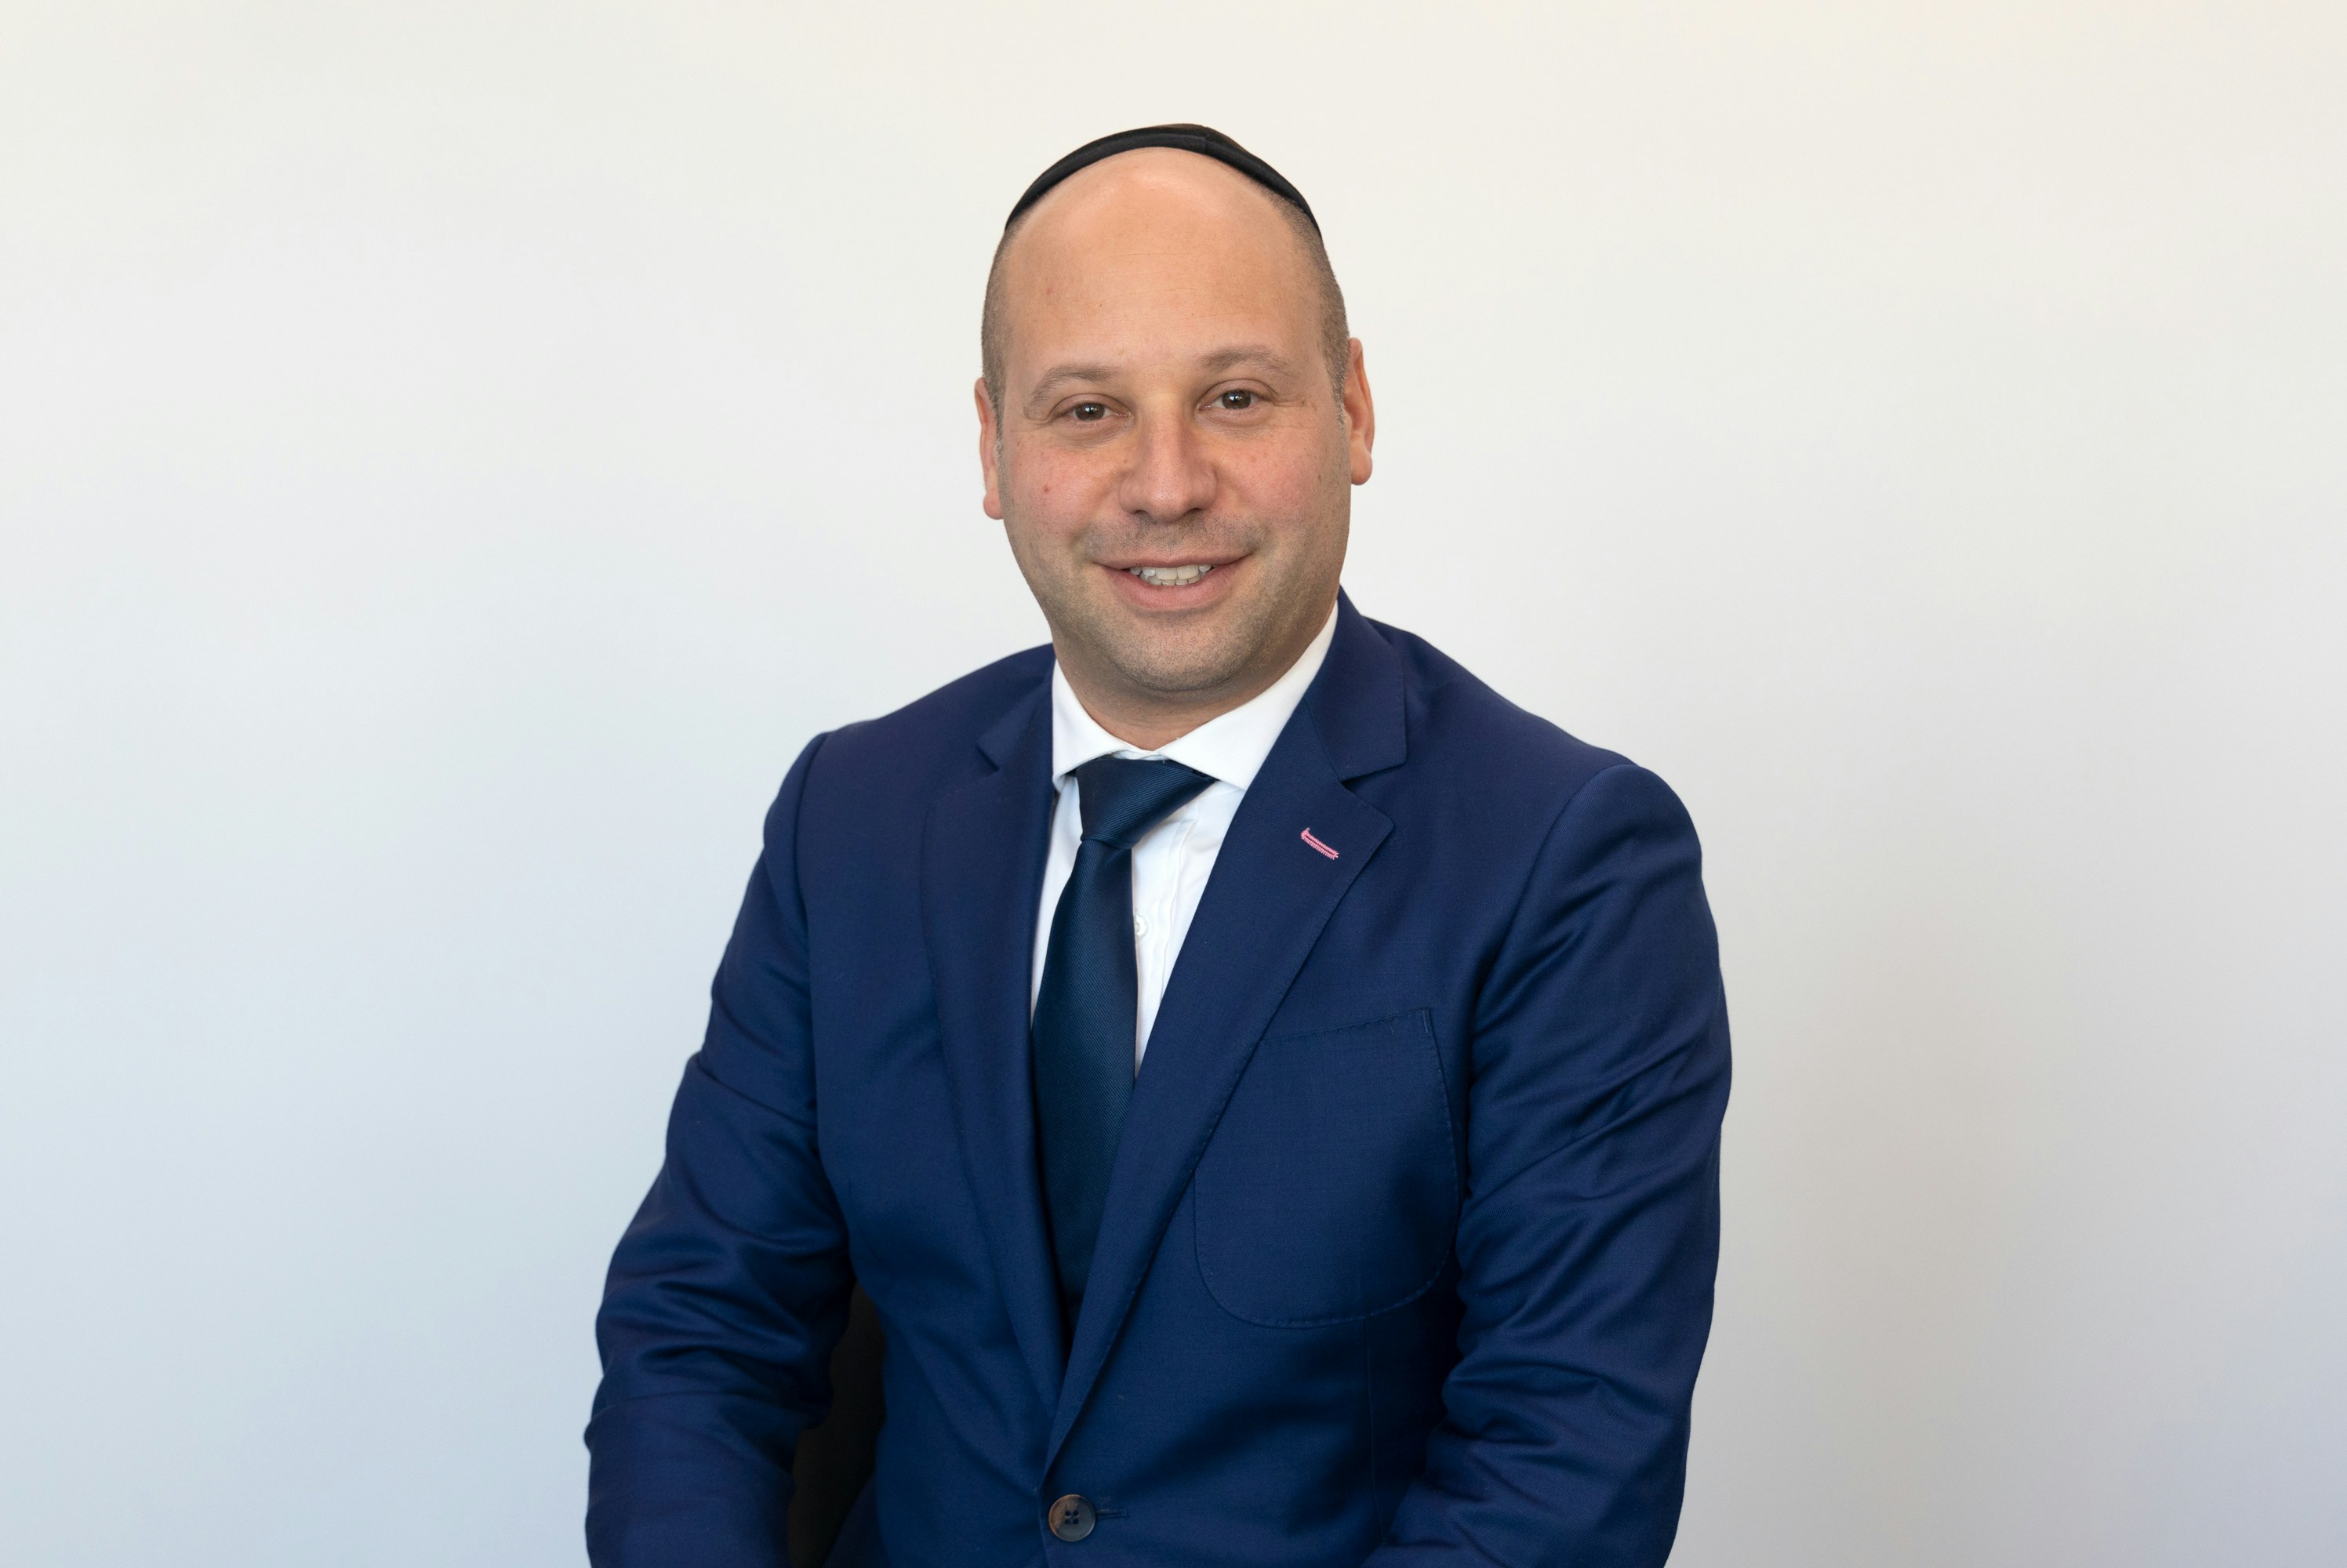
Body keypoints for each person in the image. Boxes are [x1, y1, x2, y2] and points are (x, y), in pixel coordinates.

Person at [586, 125, 1731, 1568]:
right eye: (1086, 412)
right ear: (995, 448)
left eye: (1236, 396)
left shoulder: (1566, 860)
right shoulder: (855, 817)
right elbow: (702, 1329)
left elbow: (1563, 1463)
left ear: (1357, 412)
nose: (1167, 482)